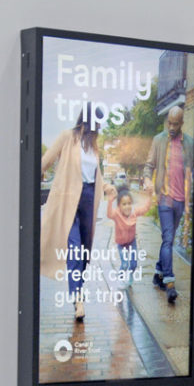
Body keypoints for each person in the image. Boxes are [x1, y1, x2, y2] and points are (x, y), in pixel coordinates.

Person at [40, 112, 109, 321]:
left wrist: (107, 187)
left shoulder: (93, 146)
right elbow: (46, 161)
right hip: (69, 200)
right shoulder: (67, 137)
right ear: (87, 120)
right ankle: (77, 299)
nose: (98, 126)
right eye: (96, 121)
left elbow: (96, 175)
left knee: (83, 253)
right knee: (74, 250)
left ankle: (77, 290)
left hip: (88, 199)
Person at [143, 105, 193, 305]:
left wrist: (189, 205)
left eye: (175, 123)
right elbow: (149, 166)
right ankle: (170, 284)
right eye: (169, 123)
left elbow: (190, 173)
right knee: (167, 238)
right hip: (165, 198)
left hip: (180, 201)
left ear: (182, 123)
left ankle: (158, 273)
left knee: (168, 241)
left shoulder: (189, 143)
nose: (171, 127)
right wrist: (147, 180)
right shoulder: (159, 140)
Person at [104, 181, 149, 286]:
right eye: (124, 204)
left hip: (131, 242)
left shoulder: (133, 212)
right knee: (124, 264)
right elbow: (109, 214)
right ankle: (120, 279)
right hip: (121, 244)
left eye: (129, 203)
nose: (127, 206)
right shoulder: (116, 213)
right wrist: (110, 201)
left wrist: (149, 196)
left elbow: (145, 209)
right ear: (119, 205)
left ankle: (130, 276)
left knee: (133, 264)